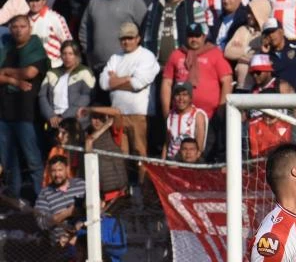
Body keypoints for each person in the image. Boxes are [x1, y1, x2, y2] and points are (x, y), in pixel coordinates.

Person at [0, 14, 49, 203]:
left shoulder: (35, 49)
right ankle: (14, 197)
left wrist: (6, 72)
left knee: (33, 159)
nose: (18, 30)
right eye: (14, 27)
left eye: (22, 26)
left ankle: (40, 198)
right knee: (8, 159)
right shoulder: (6, 50)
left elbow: (30, 72)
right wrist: (13, 80)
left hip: (26, 113)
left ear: (30, 28)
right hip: (4, 112)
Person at [99, 22, 158, 165]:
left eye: (130, 38)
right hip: (117, 114)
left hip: (138, 114)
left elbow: (137, 84)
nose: (126, 41)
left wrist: (115, 82)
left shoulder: (147, 56)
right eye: (123, 38)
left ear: (138, 38)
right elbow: (103, 83)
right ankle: (124, 187)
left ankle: (143, 186)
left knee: (140, 154)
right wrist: (127, 78)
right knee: (120, 156)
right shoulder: (115, 57)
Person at [78, 0, 148, 72]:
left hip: (128, 66)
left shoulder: (135, 2)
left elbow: (146, 31)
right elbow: (84, 30)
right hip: (98, 65)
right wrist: (89, 53)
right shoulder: (94, 2)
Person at [38, 40, 93, 134]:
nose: (67, 57)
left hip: (76, 123)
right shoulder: (52, 73)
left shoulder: (85, 72)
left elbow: (86, 97)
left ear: (76, 55)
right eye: (64, 53)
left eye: (70, 54)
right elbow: (42, 96)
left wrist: (64, 117)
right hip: (54, 123)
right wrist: (51, 115)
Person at [164, 82, 209, 160]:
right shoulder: (170, 115)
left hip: (188, 161)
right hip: (171, 160)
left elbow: (199, 148)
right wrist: (162, 162)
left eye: (185, 95)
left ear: (190, 97)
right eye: (178, 95)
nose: (181, 98)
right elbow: (167, 142)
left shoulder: (198, 115)